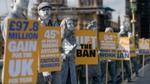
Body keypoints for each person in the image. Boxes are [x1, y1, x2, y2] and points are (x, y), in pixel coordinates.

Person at [0, 0, 29, 83]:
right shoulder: (9, 18)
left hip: (25, 61)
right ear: (15, 1)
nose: (27, 1)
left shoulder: (25, 18)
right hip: (13, 62)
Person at [37, 2, 61, 84]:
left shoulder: (55, 24)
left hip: (54, 60)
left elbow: (59, 41)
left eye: (47, 9)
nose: (46, 12)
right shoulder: (35, 25)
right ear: (38, 12)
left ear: (50, 11)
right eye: (43, 10)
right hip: (41, 62)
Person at [60, 17, 77, 84]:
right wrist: (61, 54)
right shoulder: (59, 36)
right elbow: (56, 49)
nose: (72, 25)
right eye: (69, 23)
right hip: (63, 63)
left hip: (71, 62)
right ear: (65, 25)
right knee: (62, 80)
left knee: (72, 81)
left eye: (72, 23)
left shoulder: (73, 37)